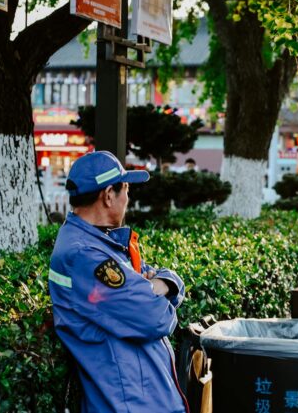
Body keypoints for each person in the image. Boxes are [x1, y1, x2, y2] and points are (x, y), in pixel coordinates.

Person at [49, 151, 189, 413]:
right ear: (108, 195)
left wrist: (163, 284)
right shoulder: (85, 256)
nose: (128, 197)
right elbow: (154, 317)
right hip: (129, 404)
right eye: (125, 189)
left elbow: (167, 280)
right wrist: (153, 289)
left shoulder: (104, 244)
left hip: (143, 399)